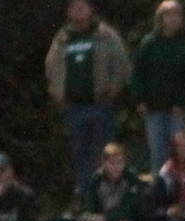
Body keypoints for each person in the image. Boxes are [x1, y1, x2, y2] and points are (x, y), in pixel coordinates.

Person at [46, 0, 131, 202]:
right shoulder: (62, 38)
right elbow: (52, 67)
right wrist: (57, 92)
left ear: (91, 9)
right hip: (74, 107)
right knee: (79, 153)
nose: (79, 10)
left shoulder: (105, 35)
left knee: (104, 152)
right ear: (68, 12)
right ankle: (85, 197)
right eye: (74, 7)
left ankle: (108, 197)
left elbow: (122, 65)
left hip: (100, 104)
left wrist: (112, 89)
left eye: (82, 6)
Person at [129, 0, 185, 177]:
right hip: (154, 109)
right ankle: (160, 195)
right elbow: (138, 73)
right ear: (160, 18)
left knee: (181, 153)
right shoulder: (149, 44)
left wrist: (184, 103)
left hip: (179, 110)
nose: (173, 19)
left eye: (177, 14)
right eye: (168, 15)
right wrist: (139, 99)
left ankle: (182, 193)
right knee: (158, 154)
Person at [73, 141, 146, 221]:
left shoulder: (131, 178)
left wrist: (105, 217)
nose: (116, 166)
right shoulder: (96, 179)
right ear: (104, 163)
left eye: (120, 162)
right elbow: (89, 208)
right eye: (112, 163)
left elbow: (129, 208)